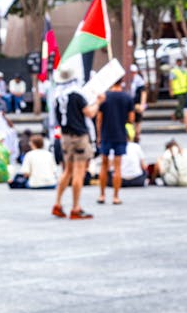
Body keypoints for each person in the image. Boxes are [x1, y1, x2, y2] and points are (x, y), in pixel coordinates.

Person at [51, 65, 104, 219]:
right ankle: (76, 207)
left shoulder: (57, 97)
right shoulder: (76, 95)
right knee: (78, 173)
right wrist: (98, 102)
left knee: (67, 170)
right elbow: (90, 113)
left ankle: (58, 203)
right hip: (79, 137)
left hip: (65, 137)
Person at [95, 77, 135, 205]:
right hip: (120, 134)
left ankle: (102, 195)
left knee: (104, 165)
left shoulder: (104, 97)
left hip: (106, 133)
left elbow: (99, 119)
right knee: (117, 167)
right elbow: (131, 119)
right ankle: (116, 196)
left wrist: (98, 135)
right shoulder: (127, 98)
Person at [130, 64, 147, 141]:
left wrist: (142, 105)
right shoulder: (128, 80)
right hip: (130, 103)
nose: (132, 74)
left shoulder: (139, 80)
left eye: (134, 72)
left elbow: (143, 93)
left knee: (137, 121)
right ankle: (131, 135)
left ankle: (137, 136)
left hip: (137, 103)